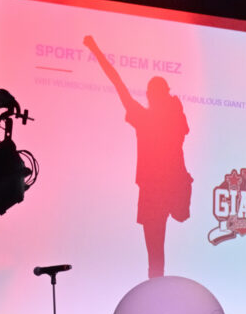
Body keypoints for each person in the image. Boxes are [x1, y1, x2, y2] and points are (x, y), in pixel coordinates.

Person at [83, 35, 193, 279]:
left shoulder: (149, 120)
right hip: (167, 190)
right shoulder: (175, 120)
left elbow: (117, 83)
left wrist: (95, 49)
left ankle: (156, 283)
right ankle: (157, 284)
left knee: (155, 254)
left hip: (156, 191)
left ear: (151, 96)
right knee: (156, 252)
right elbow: (118, 83)